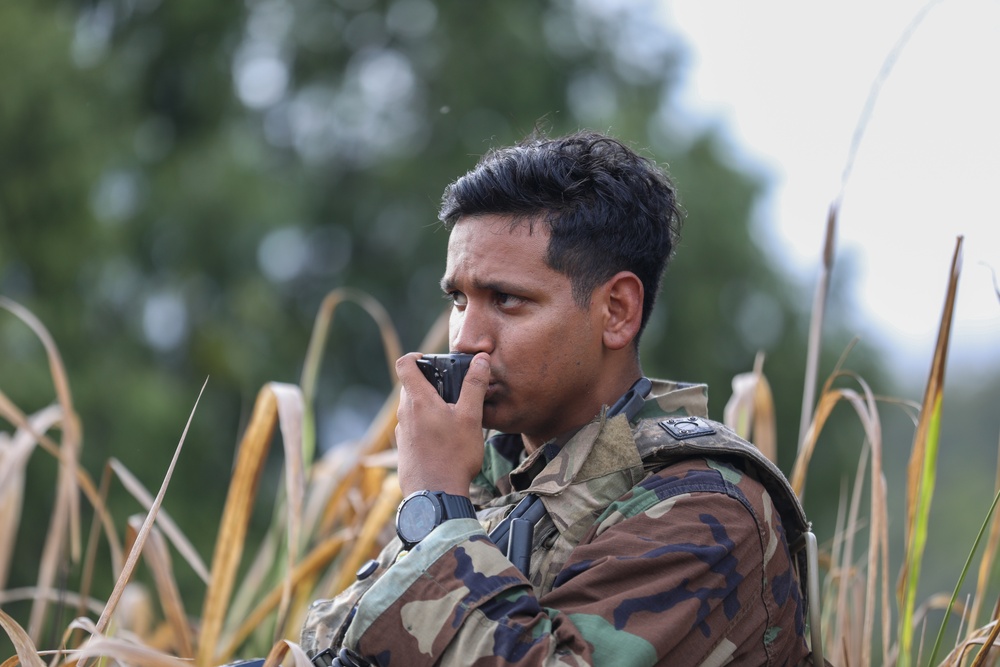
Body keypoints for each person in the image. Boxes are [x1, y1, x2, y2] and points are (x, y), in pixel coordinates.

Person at [299, 130, 812, 665]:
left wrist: (435, 510)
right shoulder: (492, 478)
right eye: (458, 298)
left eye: (507, 299)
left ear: (616, 311)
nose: (466, 338)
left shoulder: (705, 509)